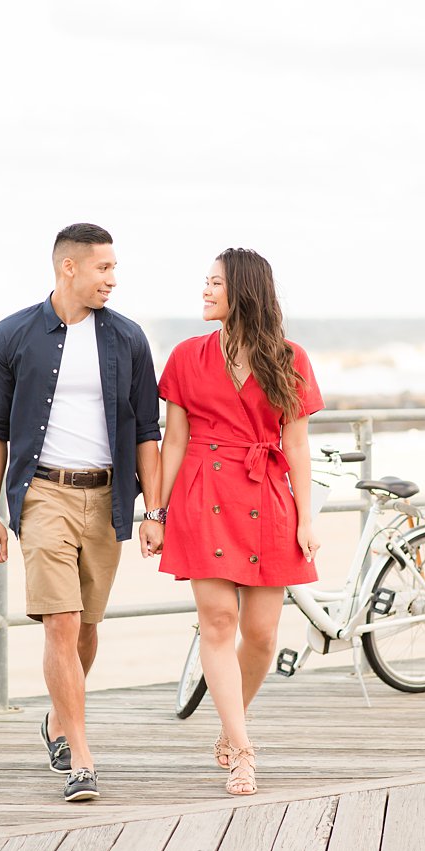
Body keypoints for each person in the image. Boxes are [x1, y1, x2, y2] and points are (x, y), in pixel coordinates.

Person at [0, 222, 164, 803]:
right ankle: (81, 755)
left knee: (85, 627)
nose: (113, 279)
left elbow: (148, 434)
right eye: (103, 268)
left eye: (114, 268)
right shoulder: (11, 336)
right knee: (59, 621)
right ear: (69, 268)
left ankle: (58, 720)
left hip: (108, 498)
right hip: (43, 495)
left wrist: (153, 510)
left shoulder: (128, 339)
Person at [152, 248, 323, 796]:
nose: (204, 291)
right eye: (204, 282)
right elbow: (172, 439)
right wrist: (156, 511)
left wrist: (306, 517)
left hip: (267, 494)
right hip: (203, 494)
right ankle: (243, 749)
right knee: (219, 620)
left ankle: (233, 721)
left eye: (215, 284)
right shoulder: (186, 356)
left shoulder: (290, 358)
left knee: (262, 633)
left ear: (243, 292)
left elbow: (296, 444)